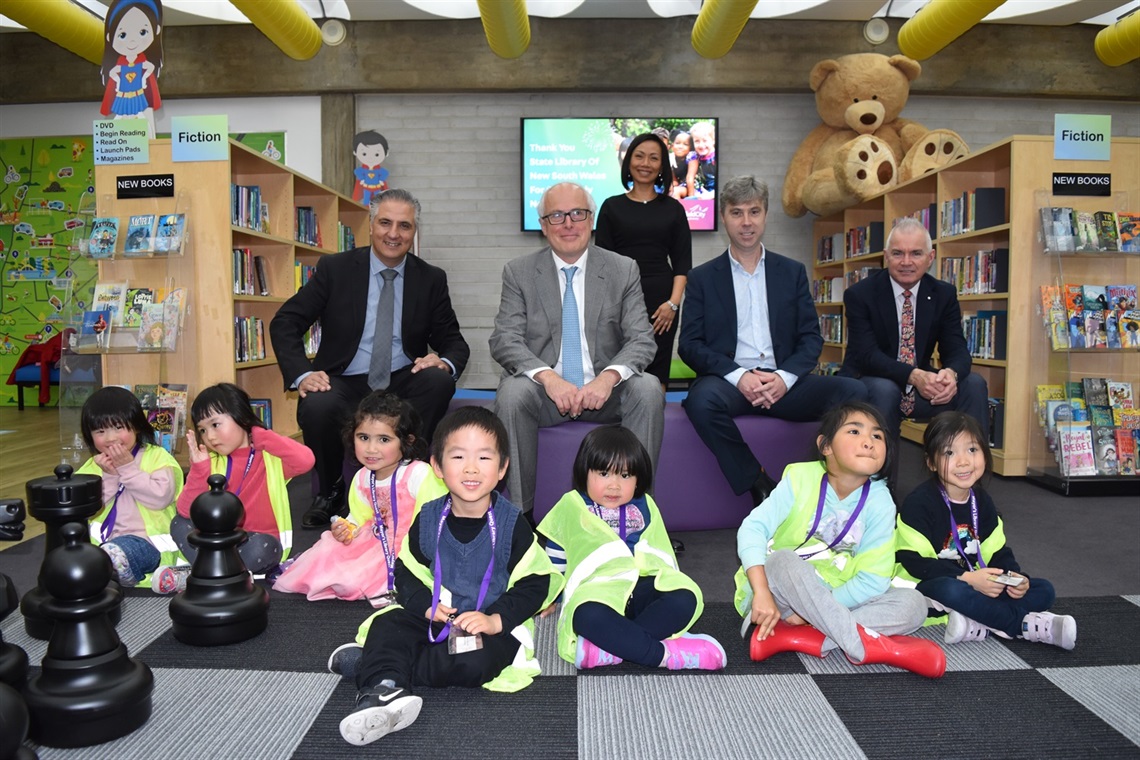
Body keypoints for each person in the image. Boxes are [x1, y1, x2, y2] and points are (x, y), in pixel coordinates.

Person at [334, 407, 562, 747]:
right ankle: (384, 688)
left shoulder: (513, 524)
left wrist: (495, 619)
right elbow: (406, 573)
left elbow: (536, 581)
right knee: (389, 623)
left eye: (484, 458)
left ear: (502, 468)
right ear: (438, 467)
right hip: (437, 616)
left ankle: (383, 667)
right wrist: (426, 606)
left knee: (475, 665)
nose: (471, 468)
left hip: (488, 624)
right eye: (458, 456)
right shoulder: (428, 518)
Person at [269, 188, 469, 529]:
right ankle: (331, 490)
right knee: (318, 404)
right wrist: (303, 374)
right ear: (372, 225)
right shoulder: (336, 269)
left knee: (437, 381)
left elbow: (453, 340)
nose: (394, 234)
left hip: (403, 377)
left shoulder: (430, 278)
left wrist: (444, 361)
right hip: (345, 378)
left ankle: (405, 484)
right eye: (386, 223)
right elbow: (286, 321)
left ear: (414, 231)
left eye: (404, 226)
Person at [678, 175, 867, 505]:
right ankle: (758, 480)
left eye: (754, 211)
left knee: (855, 392)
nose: (746, 222)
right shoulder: (702, 278)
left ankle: (844, 484)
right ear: (724, 217)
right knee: (700, 400)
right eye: (737, 213)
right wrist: (740, 377)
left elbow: (810, 338)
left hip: (785, 385)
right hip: (732, 385)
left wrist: (784, 377)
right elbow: (690, 344)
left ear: (765, 215)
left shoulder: (791, 272)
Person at [489, 181, 664, 517]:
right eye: (556, 216)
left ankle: (639, 513)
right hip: (546, 397)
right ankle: (520, 517)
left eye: (577, 214)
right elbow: (504, 339)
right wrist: (548, 378)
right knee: (512, 392)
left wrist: (609, 377)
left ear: (591, 219)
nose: (568, 223)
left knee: (647, 387)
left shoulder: (622, 269)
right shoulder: (519, 272)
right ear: (543, 226)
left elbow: (642, 338)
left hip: (606, 396)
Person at [736, 401, 945, 678]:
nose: (869, 442)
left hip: (837, 596)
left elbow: (873, 580)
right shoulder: (799, 477)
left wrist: (814, 611)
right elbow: (752, 528)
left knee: (914, 604)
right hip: (779, 598)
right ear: (826, 446)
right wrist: (761, 591)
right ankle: (877, 649)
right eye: (855, 432)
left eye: (877, 436)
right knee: (783, 559)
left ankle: (795, 637)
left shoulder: (881, 500)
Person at [538, 425, 726, 671]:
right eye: (604, 473)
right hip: (598, 591)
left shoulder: (645, 505)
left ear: (638, 480)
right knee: (584, 615)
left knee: (685, 597)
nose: (614, 485)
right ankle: (664, 655)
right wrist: (549, 595)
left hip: (642, 587)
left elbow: (660, 551)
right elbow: (557, 553)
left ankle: (612, 647)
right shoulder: (572, 505)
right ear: (585, 472)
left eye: (625, 476)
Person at [896, 412, 1077, 649]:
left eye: (972, 450)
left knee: (1043, 589)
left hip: (979, 583)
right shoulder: (919, 503)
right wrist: (968, 578)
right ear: (931, 462)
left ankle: (977, 619)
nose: (963, 461)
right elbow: (915, 562)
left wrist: (1014, 577)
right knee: (951, 590)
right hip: (928, 586)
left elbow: (997, 551)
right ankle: (1022, 625)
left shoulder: (982, 501)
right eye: (949, 453)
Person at [841, 217, 989, 475]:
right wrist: (913, 375)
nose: (906, 262)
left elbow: (956, 349)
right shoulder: (860, 294)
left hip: (921, 389)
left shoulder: (943, 294)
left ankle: (965, 482)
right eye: (898, 253)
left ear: (930, 257)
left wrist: (950, 375)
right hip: (873, 382)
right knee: (885, 390)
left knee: (973, 385)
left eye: (915, 253)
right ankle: (881, 490)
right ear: (886, 256)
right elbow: (865, 355)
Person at [274, 391, 446, 603]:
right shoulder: (363, 477)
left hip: (410, 543)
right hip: (374, 539)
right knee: (328, 552)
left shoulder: (417, 474)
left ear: (406, 441)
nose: (371, 449)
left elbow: (432, 519)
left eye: (384, 439)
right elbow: (360, 516)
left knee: (356, 577)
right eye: (363, 438)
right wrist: (347, 528)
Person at [154, 383, 315, 593]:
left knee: (265, 548)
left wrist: (259, 435)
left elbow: (306, 460)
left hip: (254, 542)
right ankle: (227, 576)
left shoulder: (268, 458)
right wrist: (199, 470)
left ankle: (199, 576)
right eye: (203, 429)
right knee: (179, 523)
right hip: (215, 542)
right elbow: (185, 511)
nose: (210, 436)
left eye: (215, 424)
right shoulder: (209, 462)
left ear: (242, 417)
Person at [595, 133, 692, 388]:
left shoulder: (674, 209)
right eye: (639, 156)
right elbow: (601, 264)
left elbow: (683, 263)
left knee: (656, 372)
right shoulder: (611, 207)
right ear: (629, 162)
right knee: (619, 370)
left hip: (662, 304)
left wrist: (672, 304)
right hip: (620, 301)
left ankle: (652, 426)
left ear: (661, 165)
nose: (645, 163)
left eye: (653, 158)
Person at [76, 386, 183, 588]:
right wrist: (108, 476)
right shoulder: (93, 465)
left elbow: (160, 498)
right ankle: (107, 571)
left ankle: (111, 570)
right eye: (100, 431)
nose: (110, 438)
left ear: (136, 426)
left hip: (147, 544)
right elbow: (85, 509)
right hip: (102, 544)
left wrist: (127, 469)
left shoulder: (157, 457)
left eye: (118, 428)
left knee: (117, 553)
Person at [99, 0, 164, 135]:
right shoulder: (119, 65)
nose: (132, 41)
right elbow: (113, 79)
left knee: (145, 123)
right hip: (122, 96)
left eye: (142, 32)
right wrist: (115, 78)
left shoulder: (144, 64)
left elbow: (149, 81)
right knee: (120, 121)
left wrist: (146, 74)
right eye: (122, 35)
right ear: (110, 37)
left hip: (139, 96)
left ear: (156, 30)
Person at [668, 130, 695, 199]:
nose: (680, 146)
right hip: (681, 185)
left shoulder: (692, 157)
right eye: (677, 143)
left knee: (675, 192)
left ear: (690, 147)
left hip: (692, 186)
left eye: (685, 144)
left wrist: (691, 199)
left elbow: (690, 178)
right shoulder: (670, 158)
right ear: (672, 145)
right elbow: (674, 180)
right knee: (672, 192)